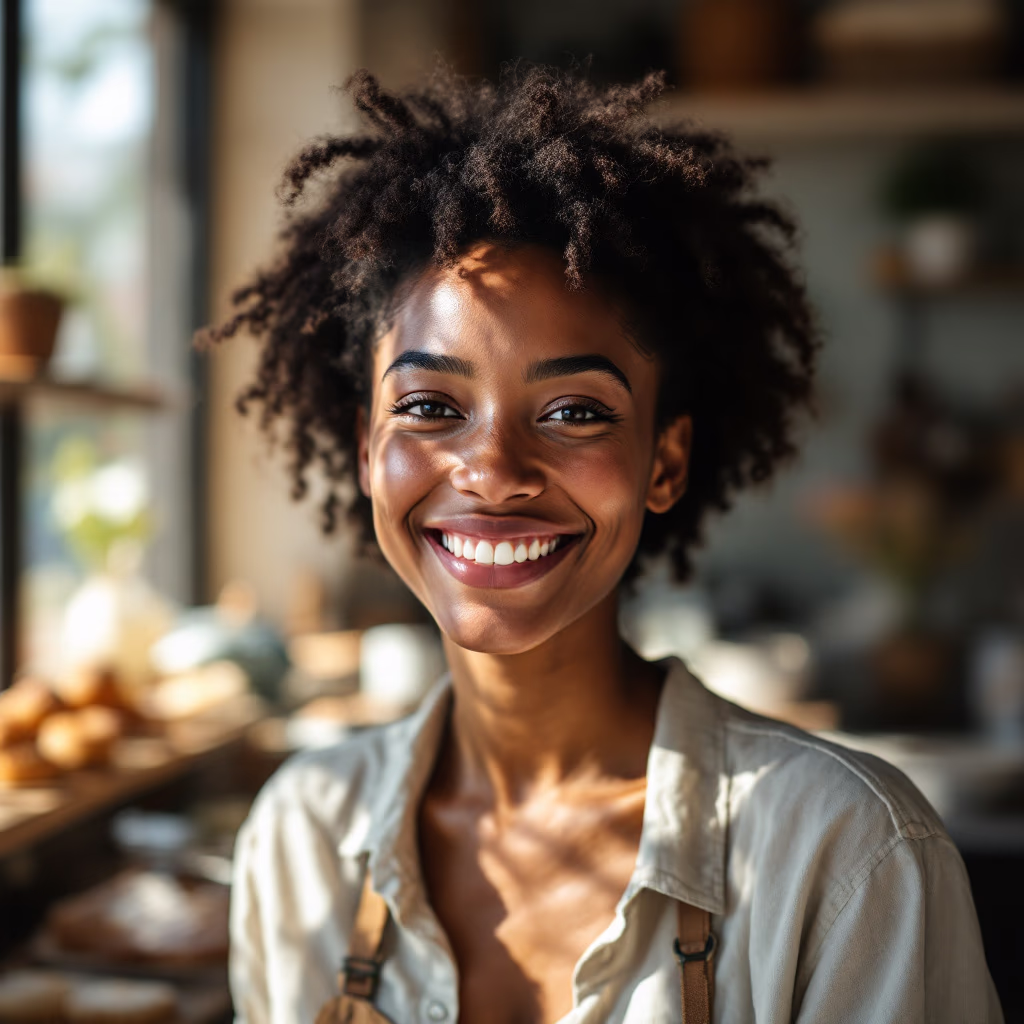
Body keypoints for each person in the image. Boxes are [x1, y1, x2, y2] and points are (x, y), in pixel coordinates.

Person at [207, 65, 1003, 1023]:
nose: (493, 470)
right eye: (428, 407)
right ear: (368, 454)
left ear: (664, 463)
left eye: (576, 411)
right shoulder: (299, 840)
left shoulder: (849, 855)